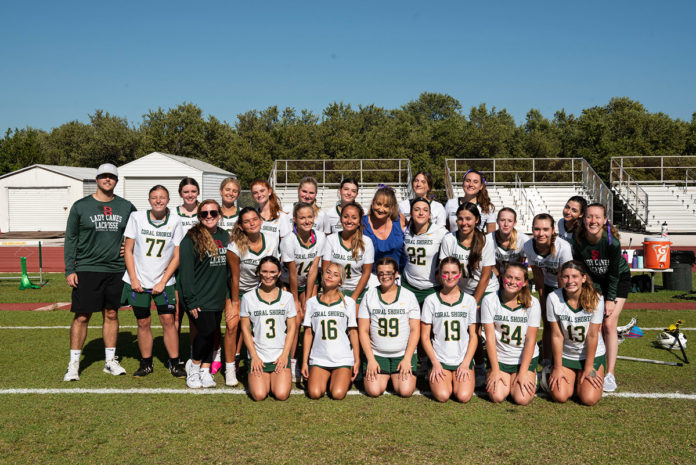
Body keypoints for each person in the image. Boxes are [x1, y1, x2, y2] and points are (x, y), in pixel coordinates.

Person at [63, 163, 137, 381]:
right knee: (82, 315)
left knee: (112, 314)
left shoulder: (126, 207)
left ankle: (110, 361)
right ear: (96, 179)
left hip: (116, 269)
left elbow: (137, 233)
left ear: (116, 180)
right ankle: (74, 363)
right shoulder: (80, 206)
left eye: (112, 177)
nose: (108, 180)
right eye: (104, 176)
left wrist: (130, 246)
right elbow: (71, 239)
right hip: (87, 268)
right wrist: (70, 269)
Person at [122, 185, 186, 378]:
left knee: (168, 320)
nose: (158, 201)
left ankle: (175, 362)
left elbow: (177, 256)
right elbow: (128, 250)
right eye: (154, 197)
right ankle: (146, 362)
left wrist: (163, 281)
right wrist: (133, 278)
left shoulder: (175, 221)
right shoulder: (137, 217)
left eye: (162, 197)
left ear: (168, 200)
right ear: (149, 200)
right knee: (143, 322)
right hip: (139, 279)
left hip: (164, 281)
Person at [571, 203, 630, 393]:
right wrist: (591, 292)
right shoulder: (578, 239)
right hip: (594, 281)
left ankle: (610, 374)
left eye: (597, 217)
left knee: (609, 324)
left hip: (617, 279)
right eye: (589, 216)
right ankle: (590, 360)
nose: (593, 221)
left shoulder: (611, 242)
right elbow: (583, 270)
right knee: (591, 322)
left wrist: (610, 299)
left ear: (605, 221)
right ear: (583, 219)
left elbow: (613, 274)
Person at [440, 202, 498, 385]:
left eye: (468, 219)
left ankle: (487, 366)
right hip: (461, 289)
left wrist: (474, 301)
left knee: (483, 328)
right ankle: (474, 364)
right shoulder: (449, 239)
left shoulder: (486, 241)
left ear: (477, 220)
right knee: (467, 328)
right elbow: (445, 269)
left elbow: (486, 275)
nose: (464, 223)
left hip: (485, 289)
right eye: (460, 218)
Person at [225, 207, 280, 386]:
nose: (252, 223)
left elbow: (272, 270)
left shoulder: (271, 240)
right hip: (239, 290)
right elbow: (234, 277)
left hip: (261, 289)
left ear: (261, 221)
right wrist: (234, 303)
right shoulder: (234, 246)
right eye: (247, 221)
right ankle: (230, 367)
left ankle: (255, 360)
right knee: (233, 325)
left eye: (255, 219)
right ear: (241, 226)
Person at [178, 200, 229, 389]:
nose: (209, 216)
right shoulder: (191, 238)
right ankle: (194, 367)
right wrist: (190, 300)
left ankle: (205, 371)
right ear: (199, 217)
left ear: (219, 215)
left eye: (213, 213)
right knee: (205, 331)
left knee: (211, 334)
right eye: (205, 214)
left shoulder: (225, 236)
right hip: (198, 297)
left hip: (217, 296)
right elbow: (186, 273)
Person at [358, 257, 420, 398]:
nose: (385, 276)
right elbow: (363, 330)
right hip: (377, 354)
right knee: (373, 391)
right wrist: (371, 359)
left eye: (388, 273)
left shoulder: (408, 296)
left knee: (405, 391)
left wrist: (407, 358)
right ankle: (387, 375)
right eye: (381, 273)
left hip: (402, 354)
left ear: (396, 273)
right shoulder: (369, 296)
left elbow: (415, 330)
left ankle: (393, 376)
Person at [546, 261, 606, 406]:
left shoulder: (596, 298)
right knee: (560, 396)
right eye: (565, 277)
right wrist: (558, 367)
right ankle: (556, 374)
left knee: (589, 399)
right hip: (566, 355)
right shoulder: (553, 298)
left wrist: (588, 367)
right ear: (560, 279)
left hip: (592, 356)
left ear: (583, 278)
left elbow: (593, 335)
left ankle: (580, 378)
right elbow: (556, 335)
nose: (570, 281)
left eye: (574, 276)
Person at [420, 257, 478, 403]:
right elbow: (425, 337)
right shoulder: (431, 300)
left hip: (461, 358)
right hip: (440, 359)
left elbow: (474, 336)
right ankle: (433, 371)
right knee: (442, 395)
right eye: (445, 273)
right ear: (439, 275)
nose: (450, 277)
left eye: (454, 272)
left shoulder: (469, 301)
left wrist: (466, 363)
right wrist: (435, 363)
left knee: (463, 396)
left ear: (460, 275)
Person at [481, 263, 540, 405]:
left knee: (522, 398)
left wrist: (523, 372)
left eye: (517, 279)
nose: (512, 282)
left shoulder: (533, 303)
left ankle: (533, 375)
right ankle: (502, 375)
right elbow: (489, 338)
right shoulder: (490, 300)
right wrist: (495, 369)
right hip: (500, 357)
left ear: (525, 283)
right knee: (497, 396)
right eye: (509, 277)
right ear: (502, 278)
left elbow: (531, 340)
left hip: (523, 358)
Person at [240, 256, 297, 401]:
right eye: (264, 271)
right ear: (259, 272)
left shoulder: (287, 297)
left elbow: (291, 329)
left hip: (279, 356)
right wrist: (254, 356)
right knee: (259, 395)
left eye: (272, 272)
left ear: (279, 274)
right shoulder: (248, 298)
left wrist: (285, 355)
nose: (268, 275)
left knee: (281, 394)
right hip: (259, 355)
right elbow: (245, 329)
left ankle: (278, 375)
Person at [280, 202, 326, 380]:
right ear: (295, 220)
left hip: (308, 282)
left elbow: (314, 269)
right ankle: (291, 363)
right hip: (288, 283)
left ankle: (310, 360)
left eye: (309, 217)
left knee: (311, 318)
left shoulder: (320, 237)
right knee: (296, 320)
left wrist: (307, 300)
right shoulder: (288, 240)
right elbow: (292, 274)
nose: (306, 221)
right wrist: (296, 302)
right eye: (302, 217)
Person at [301, 263, 360, 400]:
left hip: (342, 358)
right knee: (315, 393)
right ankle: (327, 377)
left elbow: (353, 332)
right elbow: (308, 333)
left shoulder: (348, 302)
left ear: (340, 281)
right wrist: (305, 361)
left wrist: (356, 360)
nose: (330, 276)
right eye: (328, 272)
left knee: (337, 394)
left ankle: (340, 376)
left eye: (335, 274)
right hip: (319, 357)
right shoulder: (311, 302)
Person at [522, 213, 572, 366]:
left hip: (567, 284)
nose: (541, 233)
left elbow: (565, 275)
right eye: (537, 229)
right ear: (532, 230)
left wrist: (560, 299)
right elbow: (537, 274)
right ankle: (547, 359)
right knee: (548, 321)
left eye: (545, 229)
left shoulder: (563, 247)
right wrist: (543, 298)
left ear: (552, 231)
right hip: (548, 285)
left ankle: (567, 356)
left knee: (565, 322)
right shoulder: (528, 246)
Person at [210, 177, 242, 374]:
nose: (230, 193)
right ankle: (216, 352)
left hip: (237, 270)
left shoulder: (243, 214)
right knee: (214, 316)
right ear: (221, 191)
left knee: (234, 318)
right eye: (227, 190)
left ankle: (235, 356)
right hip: (215, 267)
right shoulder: (213, 212)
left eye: (235, 191)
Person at [322, 201, 374, 304]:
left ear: (359, 221)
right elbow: (325, 269)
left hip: (357, 291)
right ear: (341, 219)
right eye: (346, 217)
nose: (349, 221)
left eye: (354, 218)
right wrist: (333, 292)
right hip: (334, 289)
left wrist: (353, 298)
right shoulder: (331, 239)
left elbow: (366, 273)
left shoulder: (366, 242)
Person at [402, 197, 448, 305]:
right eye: (417, 209)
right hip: (408, 286)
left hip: (432, 288)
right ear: (411, 213)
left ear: (429, 214)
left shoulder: (440, 232)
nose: (421, 213)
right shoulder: (405, 230)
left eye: (425, 210)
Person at [174, 178, 199, 335]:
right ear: (180, 193)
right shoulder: (171, 213)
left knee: (195, 315)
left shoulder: (206, 212)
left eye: (193, 191)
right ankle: (174, 357)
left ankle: (194, 355)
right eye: (186, 192)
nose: (190, 195)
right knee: (176, 315)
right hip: (177, 267)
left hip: (199, 268)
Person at [361, 186, 406, 273]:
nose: (381, 209)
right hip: (370, 276)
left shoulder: (400, 220)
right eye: (378, 204)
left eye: (386, 206)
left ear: (392, 208)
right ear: (372, 203)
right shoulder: (362, 223)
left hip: (397, 276)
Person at [445, 169, 496, 233]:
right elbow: (445, 229)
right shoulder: (450, 203)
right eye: (468, 181)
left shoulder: (487, 207)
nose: (471, 184)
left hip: (477, 243)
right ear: (463, 184)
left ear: (481, 186)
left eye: (475, 182)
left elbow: (491, 235)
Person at [489, 207, 530, 276]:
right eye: (502, 220)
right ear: (497, 221)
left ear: (515, 223)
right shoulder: (488, 239)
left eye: (510, 221)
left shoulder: (524, 240)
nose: (506, 224)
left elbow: (523, 265)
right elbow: (491, 266)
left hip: (516, 275)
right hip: (496, 275)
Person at [250, 178, 292, 243]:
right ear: (253, 196)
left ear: (269, 191)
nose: (259, 195)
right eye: (255, 193)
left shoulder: (281, 216)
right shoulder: (252, 215)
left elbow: (286, 244)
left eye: (262, 191)